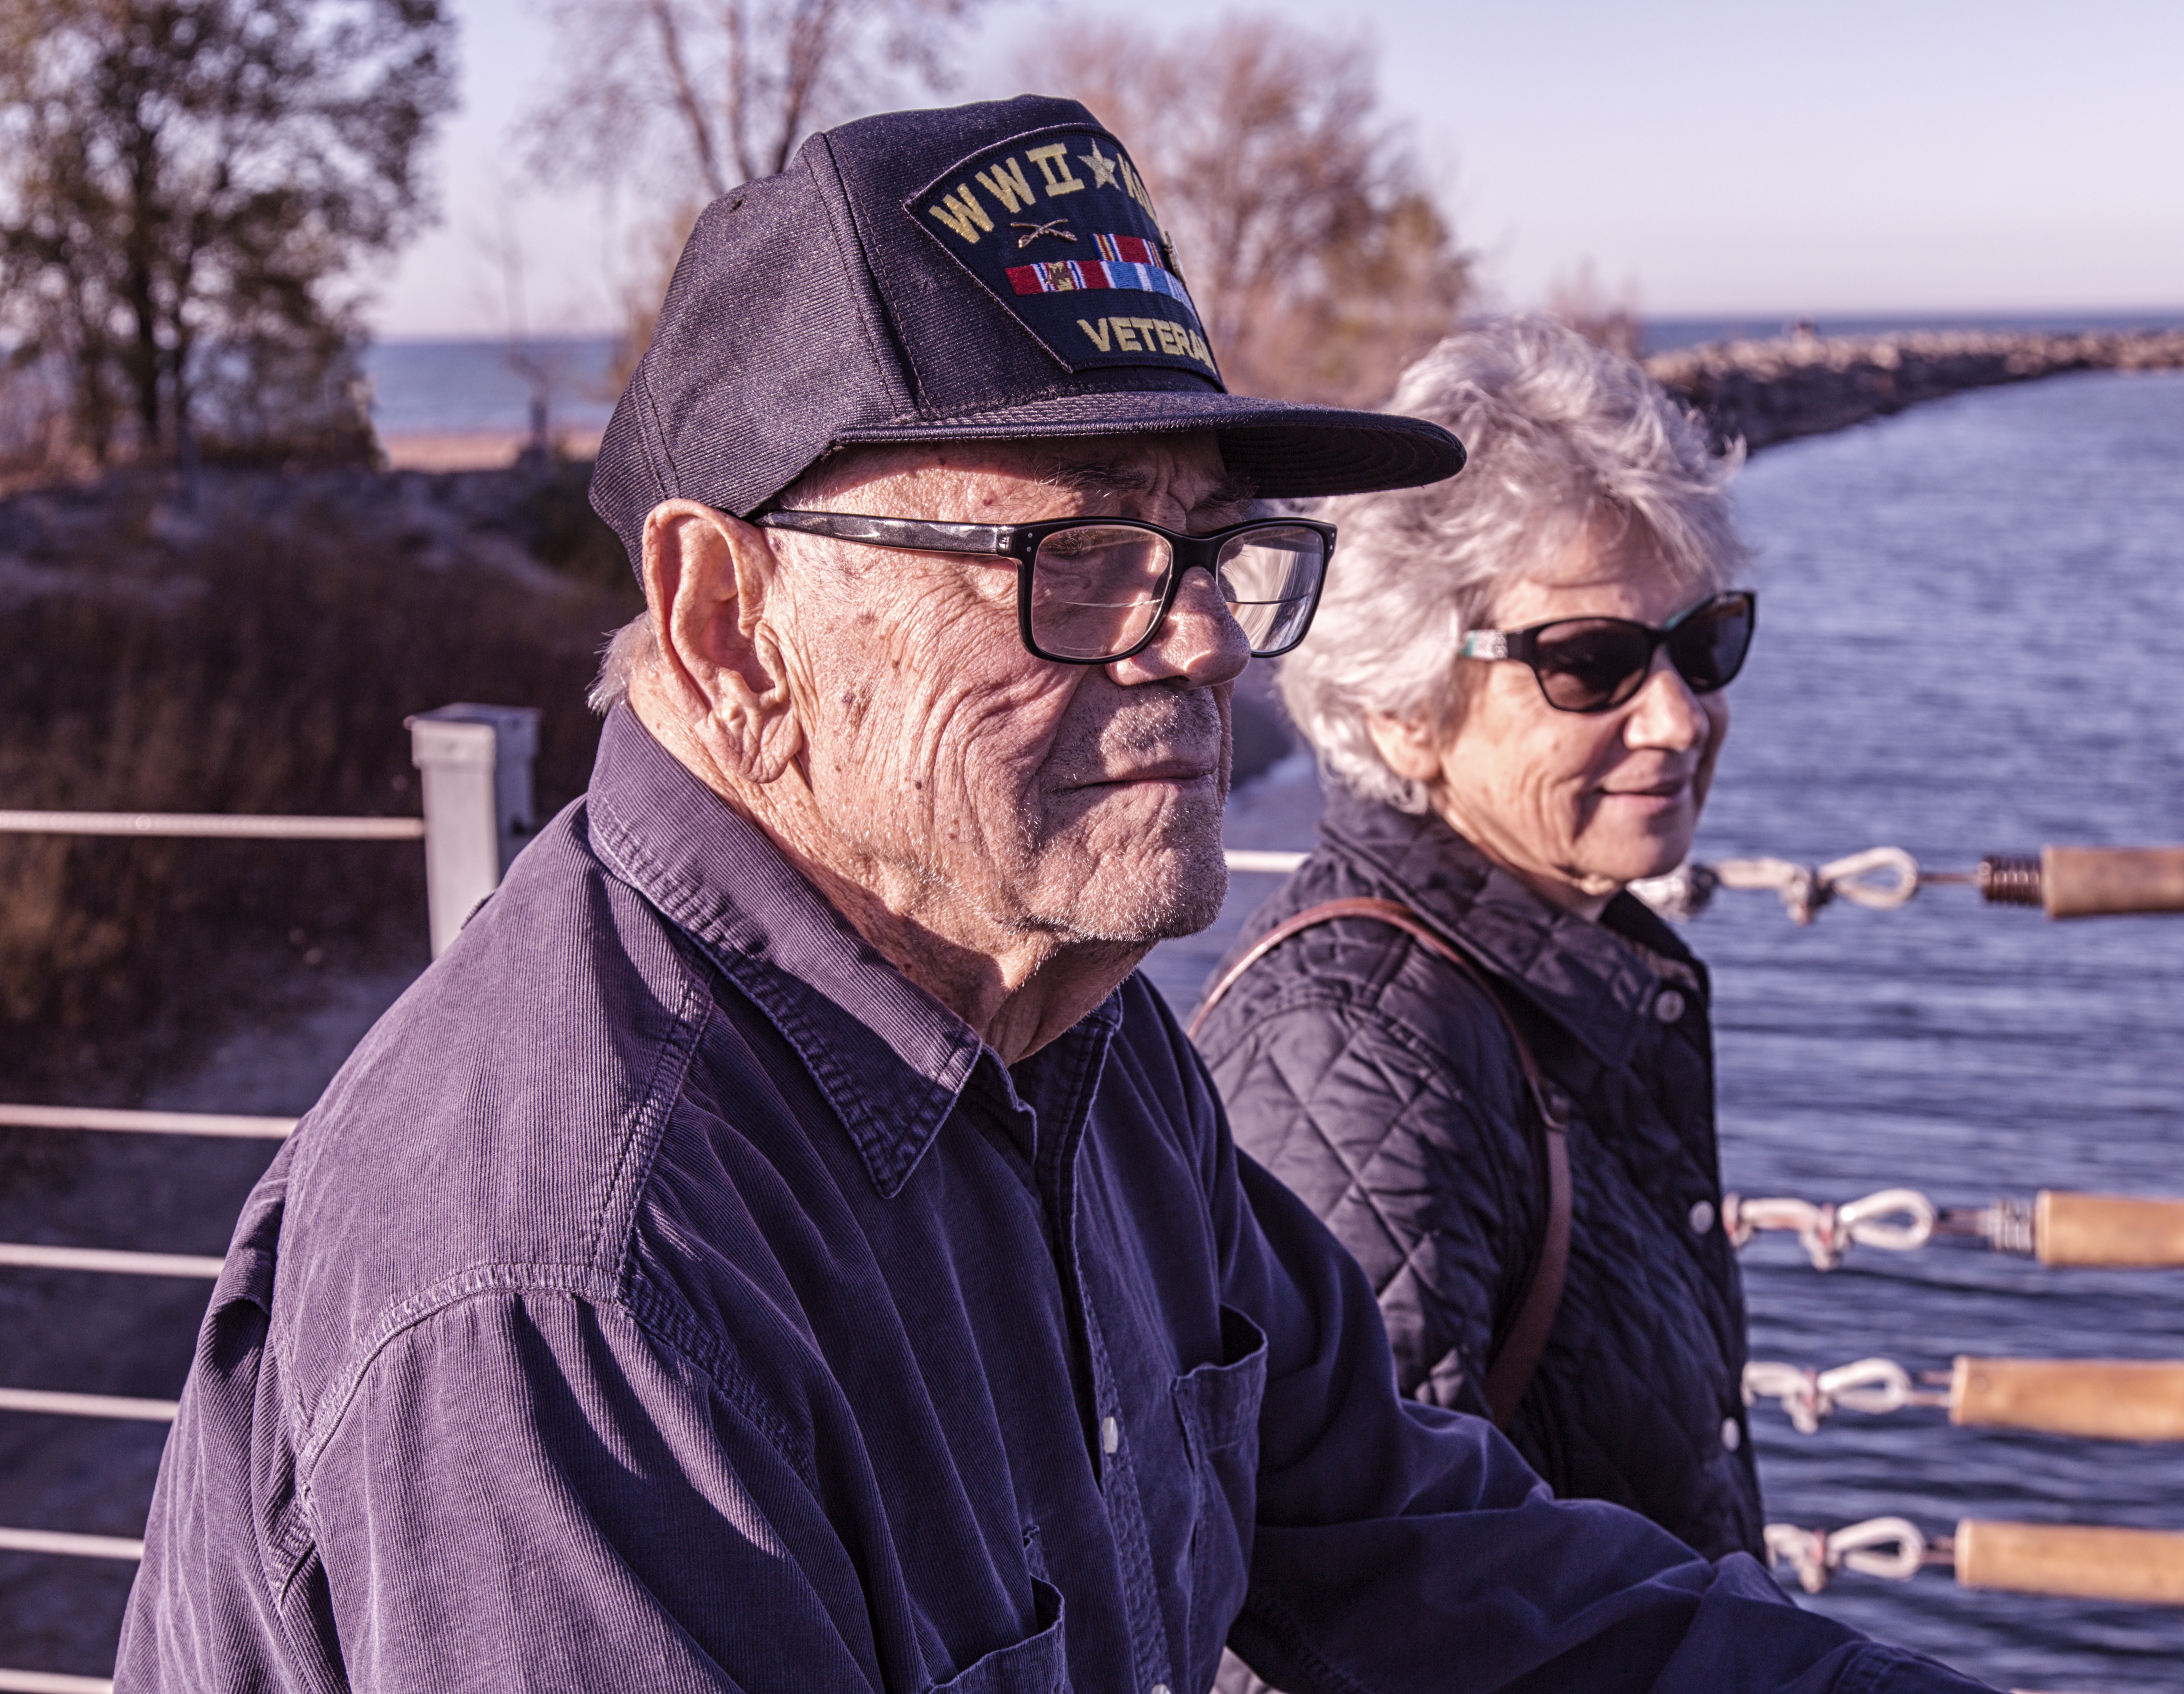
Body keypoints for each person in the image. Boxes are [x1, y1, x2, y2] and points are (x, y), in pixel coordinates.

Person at [115, 98, 1988, 1694]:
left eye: (1209, 551)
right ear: (725, 622)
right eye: (1075, 561)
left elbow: (1399, 1527)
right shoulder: (576, 1284)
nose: (1194, 641)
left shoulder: (1078, 1052)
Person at [1194, 317, 1763, 1561]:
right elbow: (1351, 1601)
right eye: (1591, 663)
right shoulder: (1358, 1060)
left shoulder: (1558, 982)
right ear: (1404, 713)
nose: (1679, 717)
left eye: (1704, 640)